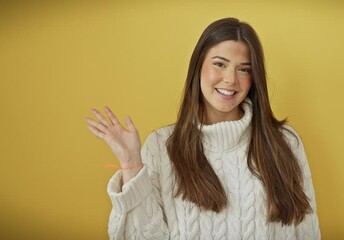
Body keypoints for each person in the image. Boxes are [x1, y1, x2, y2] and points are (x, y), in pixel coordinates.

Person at [85, 17, 320, 240]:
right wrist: (130, 163)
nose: (230, 79)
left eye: (244, 69)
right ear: (198, 67)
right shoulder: (161, 145)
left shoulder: (285, 143)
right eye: (220, 64)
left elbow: (307, 230)